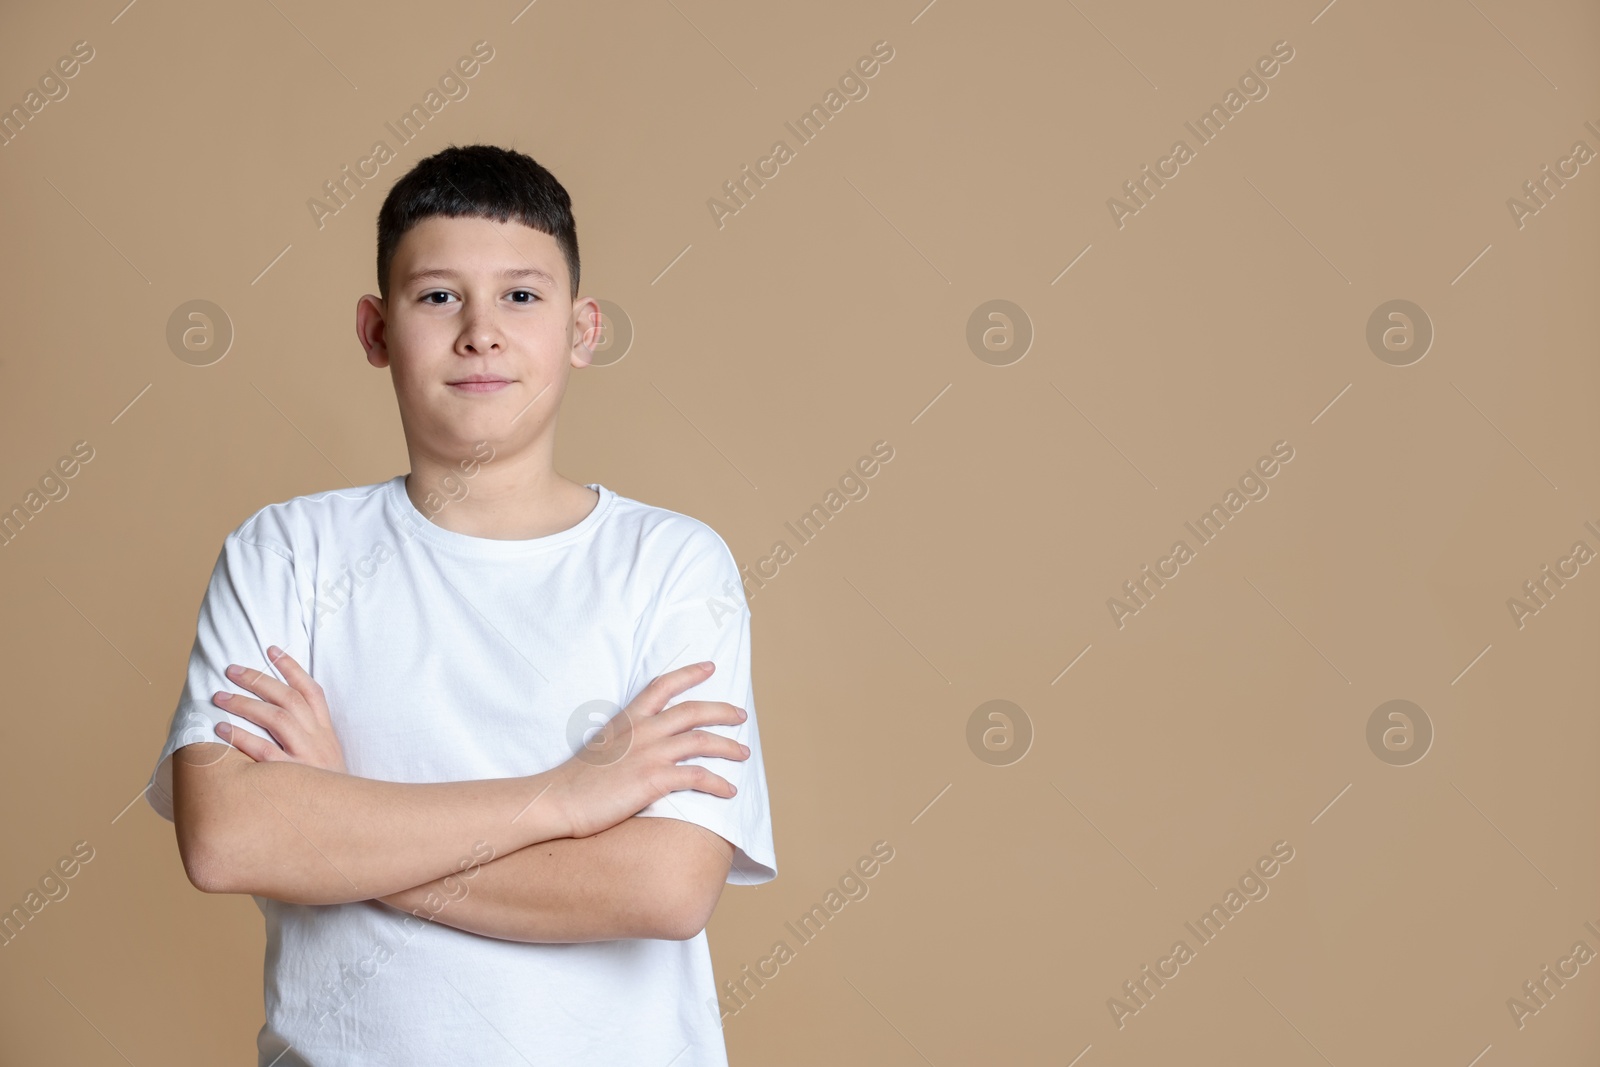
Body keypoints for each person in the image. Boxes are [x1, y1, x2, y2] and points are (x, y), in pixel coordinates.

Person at [144, 143, 777, 1066]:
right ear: (374, 329)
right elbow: (230, 838)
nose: (481, 330)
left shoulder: (671, 563)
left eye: (522, 295)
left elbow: (665, 887)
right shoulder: (286, 553)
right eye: (438, 295)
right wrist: (566, 797)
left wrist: (342, 822)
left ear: (582, 328)